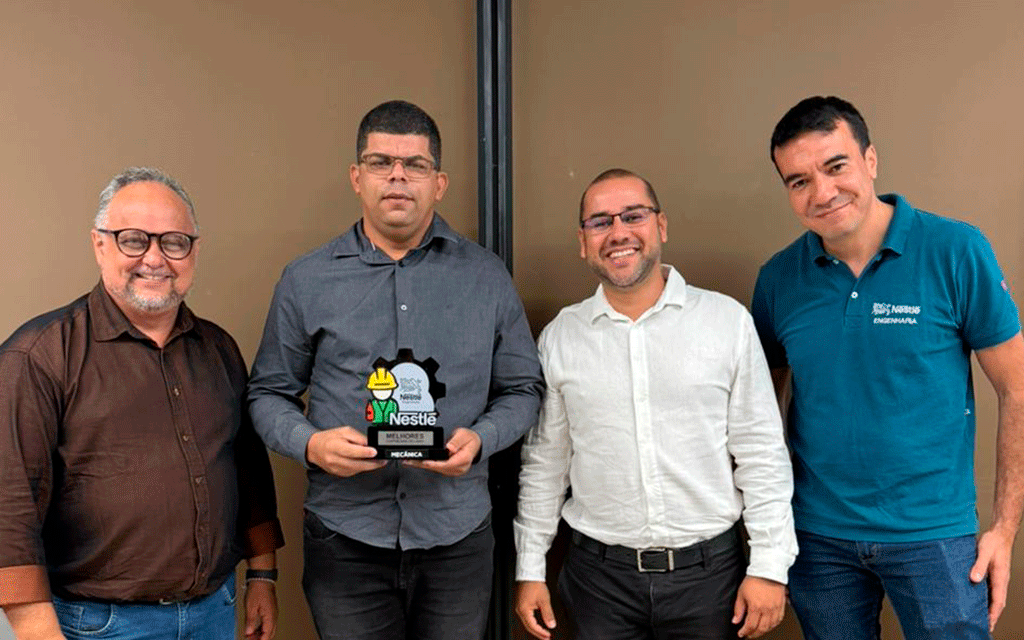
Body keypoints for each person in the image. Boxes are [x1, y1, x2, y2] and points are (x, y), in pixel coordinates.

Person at [248, 100, 543, 640]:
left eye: (415, 165)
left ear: (440, 183)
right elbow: (267, 393)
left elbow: (523, 389)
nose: (398, 176)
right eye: (381, 162)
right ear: (356, 177)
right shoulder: (305, 279)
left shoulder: (486, 277)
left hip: (457, 538)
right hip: (345, 540)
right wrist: (311, 445)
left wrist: (482, 438)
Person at [752, 96, 1024, 640]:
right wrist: (770, 537)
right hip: (818, 540)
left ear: (870, 159)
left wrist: (1004, 529)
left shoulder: (955, 250)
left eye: (836, 166)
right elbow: (757, 417)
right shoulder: (779, 278)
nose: (822, 193)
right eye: (799, 181)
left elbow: (1017, 390)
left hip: (935, 535)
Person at [0, 167, 285, 640]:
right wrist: (37, 632)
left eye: (174, 242)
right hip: (97, 625)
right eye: (133, 240)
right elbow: (9, 508)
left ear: (194, 251)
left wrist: (262, 575)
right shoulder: (37, 357)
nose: (154, 258)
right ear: (99, 245)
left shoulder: (219, 350)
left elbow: (248, 471)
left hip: (214, 613)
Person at [514, 168, 797, 640]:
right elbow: (545, 464)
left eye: (633, 216)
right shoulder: (562, 336)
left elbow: (762, 452)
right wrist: (529, 569)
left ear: (660, 226)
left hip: (710, 581)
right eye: (600, 221)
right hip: (598, 583)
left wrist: (769, 566)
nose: (618, 232)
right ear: (583, 241)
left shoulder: (726, 322)